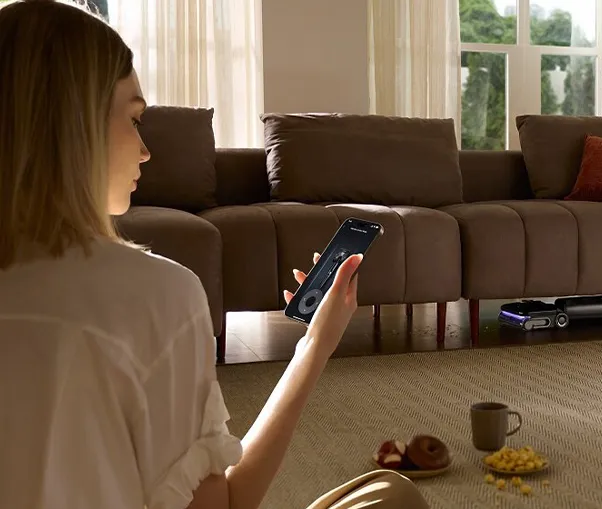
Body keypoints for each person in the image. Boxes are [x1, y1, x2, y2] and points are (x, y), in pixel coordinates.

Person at [0, 1, 430, 508]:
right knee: (391, 495)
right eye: (134, 119)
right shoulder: (156, 295)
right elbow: (222, 504)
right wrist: (315, 345)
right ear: (73, 126)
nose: (145, 150)